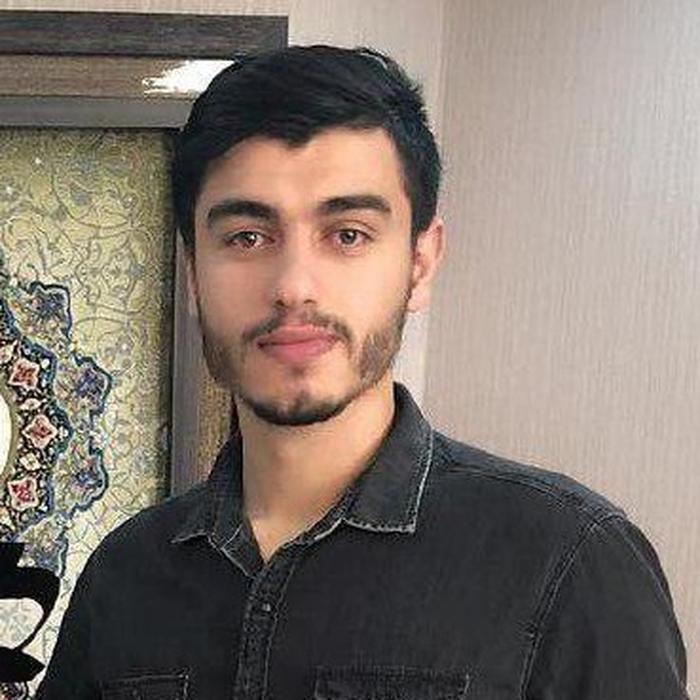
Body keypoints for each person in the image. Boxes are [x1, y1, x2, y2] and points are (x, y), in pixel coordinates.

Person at [37, 45, 688, 699]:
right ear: (193, 272)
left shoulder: (569, 563)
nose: (294, 286)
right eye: (247, 237)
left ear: (420, 263)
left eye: (347, 234)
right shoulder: (126, 575)